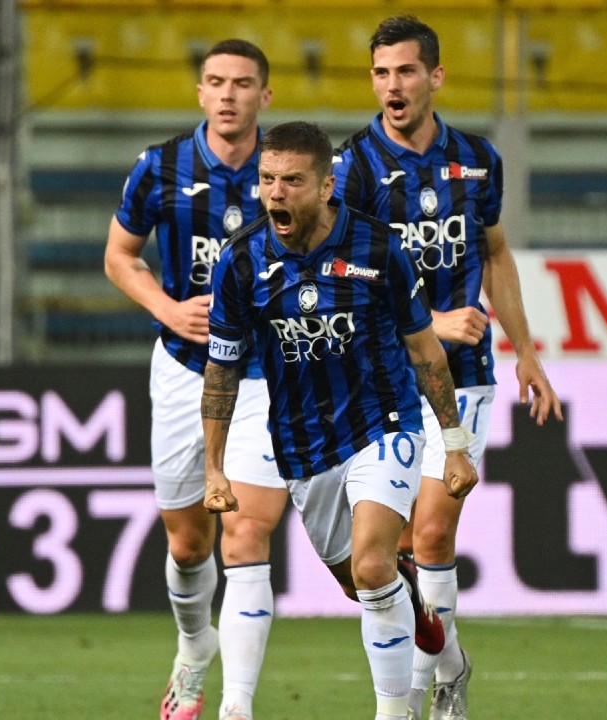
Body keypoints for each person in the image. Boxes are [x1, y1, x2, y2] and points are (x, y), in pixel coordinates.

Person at [201, 120, 480, 720]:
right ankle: (442, 642)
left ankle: (393, 712)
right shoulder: (241, 262)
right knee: (360, 582)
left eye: (292, 181)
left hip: (385, 423)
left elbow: (427, 352)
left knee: (374, 565)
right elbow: (222, 371)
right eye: (267, 179)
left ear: (327, 186)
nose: (275, 192)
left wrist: (454, 444)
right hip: (304, 446)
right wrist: (214, 467)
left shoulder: (380, 249)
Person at [332, 15, 562, 719]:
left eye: (405, 71)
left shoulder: (477, 159)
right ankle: (451, 661)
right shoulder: (354, 167)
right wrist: (428, 322)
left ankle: (426, 693)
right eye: (380, 73)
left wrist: (527, 351)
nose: (392, 86)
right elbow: (344, 272)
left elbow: (494, 254)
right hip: (382, 379)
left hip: (462, 376)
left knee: (431, 533)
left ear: (435, 76)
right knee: (390, 551)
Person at [102, 39, 290, 720]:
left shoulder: (293, 171)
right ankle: (192, 646)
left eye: (244, 83)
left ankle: (235, 706)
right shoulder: (160, 167)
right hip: (186, 371)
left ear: (264, 96)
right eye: (217, 82)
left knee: (245, 533)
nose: (230, 94)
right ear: (201, 93)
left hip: (267, 376)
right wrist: (167, 308)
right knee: (188, 543)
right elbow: (120, 257)